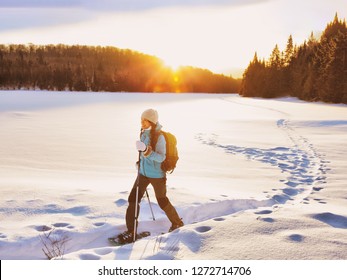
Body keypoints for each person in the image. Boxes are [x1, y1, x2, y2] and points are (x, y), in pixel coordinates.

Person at [118, 109, 183, 243]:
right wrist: (140, 163)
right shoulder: (143, 133)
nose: (141, 123)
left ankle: (177, 222)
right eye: (141, 120)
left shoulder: (159, 137)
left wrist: (146, 151)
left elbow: (160, 157)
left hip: (157, 175)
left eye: (144, 120)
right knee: (133, 199)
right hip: (143, 173)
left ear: (151, 122)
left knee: (162, 200)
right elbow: (143, 154)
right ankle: (131, 231)